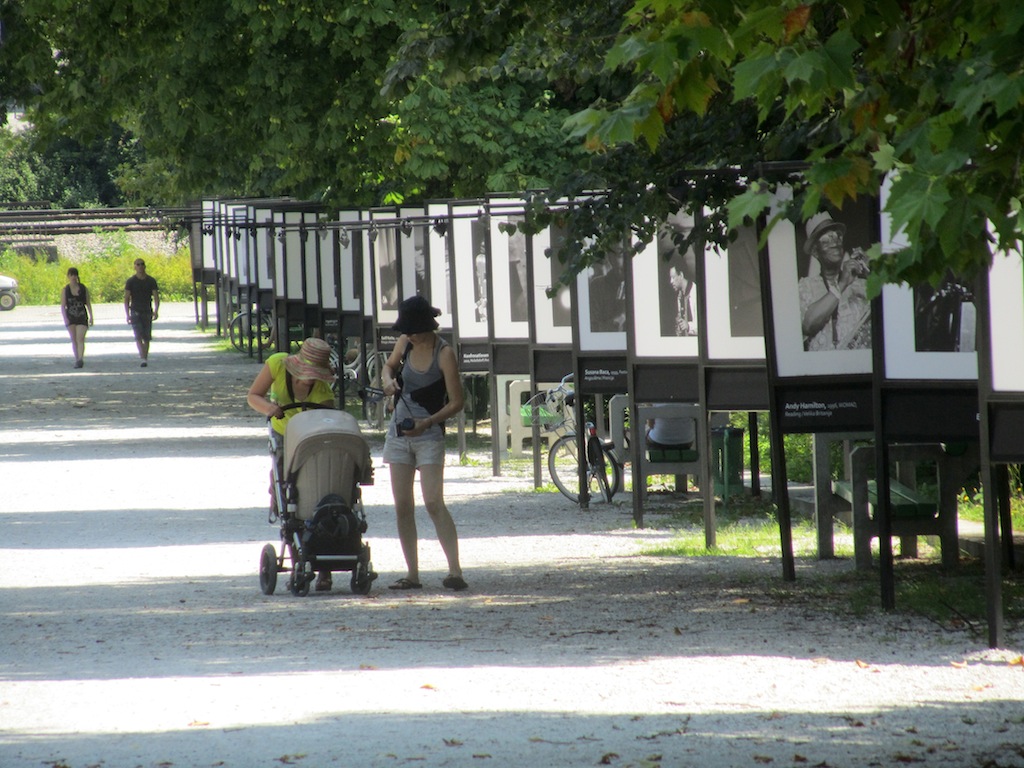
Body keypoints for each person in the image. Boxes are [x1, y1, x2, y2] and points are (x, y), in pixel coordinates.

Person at [380, 295, 467, 592]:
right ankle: (412, 574)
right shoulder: (404, 342)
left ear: (427, 328)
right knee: (403, 505)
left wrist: (427, 423)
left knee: (432, 502)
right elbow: (388, 367)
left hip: (428, 435)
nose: (410, 336)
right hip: (399, 434)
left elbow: (457, 402)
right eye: (408, 332)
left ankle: (455, 571)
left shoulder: (444, 354)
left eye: (414, 331)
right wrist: (387, 381)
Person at [246, 336, 337, 591]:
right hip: (283, 433)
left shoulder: (322, 391)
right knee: (287, 489)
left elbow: (329, 421)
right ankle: (298, 552)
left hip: (310, 439)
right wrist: (269, 408)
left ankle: (324, 566)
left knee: (318, 489)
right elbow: (253, 395)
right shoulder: (276, 364)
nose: (310, 378)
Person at [798, 212, 871, 351]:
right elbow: (807, 326)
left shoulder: (862, 286)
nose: (835, 241)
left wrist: (873, 273)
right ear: (815, 252)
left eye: (838, 237)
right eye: (826, 239)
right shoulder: (805, 287)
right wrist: (841, 284)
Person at [124, 258, 160, 367]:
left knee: (147, 336)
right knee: (138, 336)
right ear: (134, 267)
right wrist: (127, 314)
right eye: (138, 264)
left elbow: (156, 296)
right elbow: (126, 298)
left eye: (142, 264)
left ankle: (145, 356)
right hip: (135, 311)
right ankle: (143, 358)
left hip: (147, 311)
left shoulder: (151, 281)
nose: (140, 266)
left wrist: (156, 310)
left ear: (145, 266)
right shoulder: (130, 281)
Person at [60, 267, 94, 369]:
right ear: (68, 276)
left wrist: (91, 316)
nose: (74, 277)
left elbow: (88, 303)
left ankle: (80, 359)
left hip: (82, 316)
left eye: (75, 275)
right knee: (74, 339)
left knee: (80, 338)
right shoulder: (65, 290)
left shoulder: (83, 288)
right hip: (70, 316)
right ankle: (77, 358)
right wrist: (65, 318)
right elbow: (63, 306)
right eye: (71, 275)